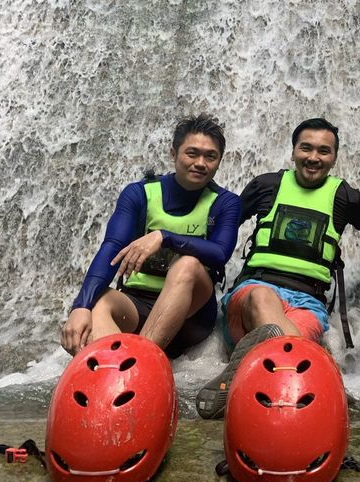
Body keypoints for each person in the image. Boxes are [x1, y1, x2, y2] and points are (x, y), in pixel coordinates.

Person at [196, 117, 360, 418]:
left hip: (308, 305)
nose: (313, 157)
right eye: (306, 148)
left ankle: (245, 372)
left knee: (279, 335)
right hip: (251, 295)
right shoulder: (266, 185)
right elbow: (221, 229)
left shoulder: (347, 198)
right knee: (263, 299)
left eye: (324, 151)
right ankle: (326, 379)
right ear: (293, 151)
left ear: (335, 157)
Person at [61, 114, 240, 358]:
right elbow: (112, 246)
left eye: (210, 156)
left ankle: (139, 360)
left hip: (192, 317)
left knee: (187, 264)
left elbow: (220, 254)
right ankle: (111, 368)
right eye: (192, 153)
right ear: (173, 153)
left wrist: (165, 237)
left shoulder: (225, 202)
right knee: (99, 302)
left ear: (219, 161)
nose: (200, 163)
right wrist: (81, 306)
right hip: (137, 305)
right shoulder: (139, 194)